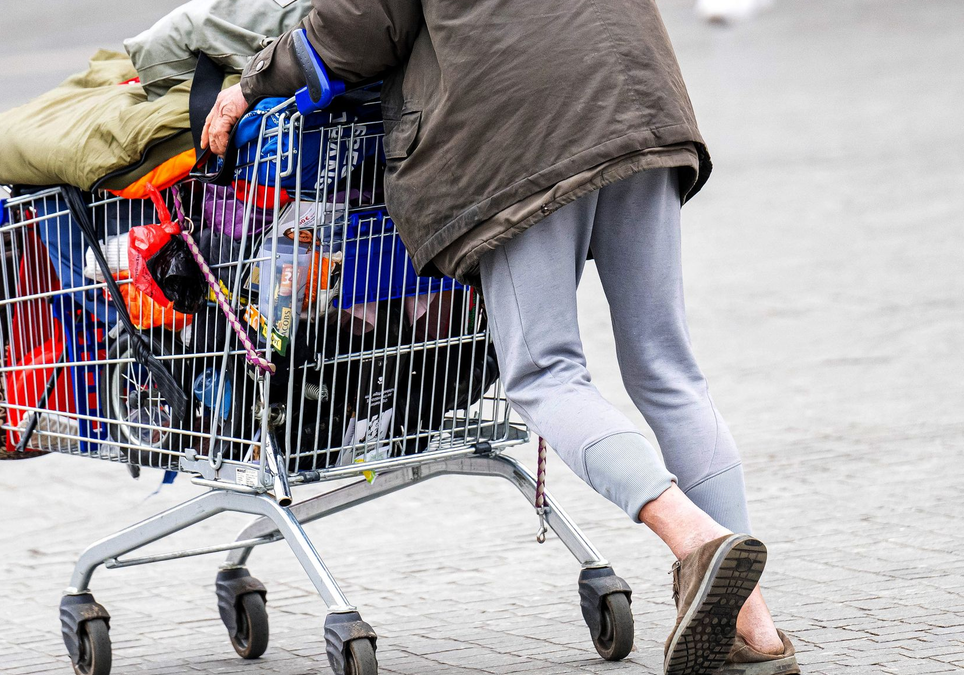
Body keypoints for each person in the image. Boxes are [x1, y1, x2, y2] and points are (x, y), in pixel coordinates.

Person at [202, 1, 799, 673]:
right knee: (667, 368)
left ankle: (695, 537)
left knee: (545, 374)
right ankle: (756, 630)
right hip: (639, 97)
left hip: (524, 128)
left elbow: (363, 20)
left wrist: (251, 82)